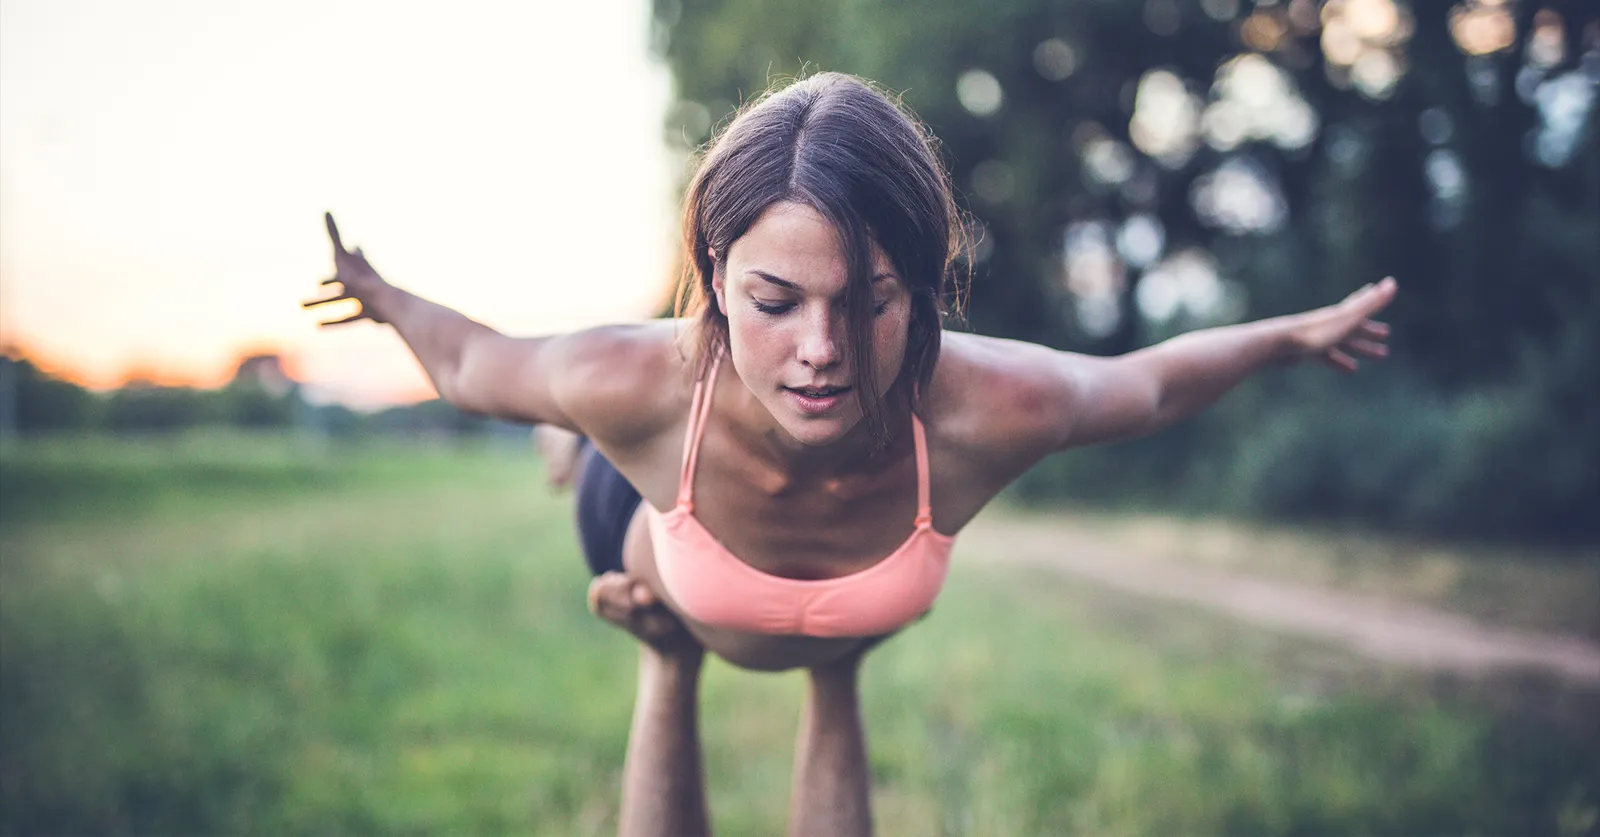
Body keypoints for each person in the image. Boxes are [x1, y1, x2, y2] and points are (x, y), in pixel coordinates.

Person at [304, 72, 1395, 837]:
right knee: (581, 441)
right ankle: (573, 455)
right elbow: (470, 362)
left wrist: (1288, 338)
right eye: (774, 302)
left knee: (829, 661)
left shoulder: (984, 404)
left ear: (921, 289)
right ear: (716, 277)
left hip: (837, 587)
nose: (821, 353)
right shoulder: (636, 378)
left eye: (868, 303)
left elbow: (1150, 385)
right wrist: (384, 295)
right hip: (658, 521)